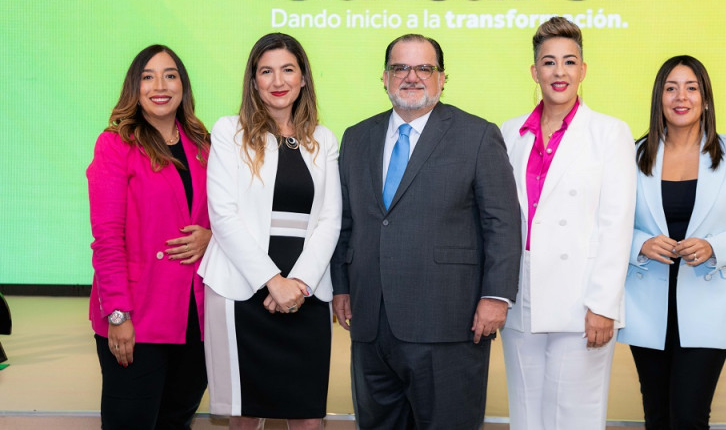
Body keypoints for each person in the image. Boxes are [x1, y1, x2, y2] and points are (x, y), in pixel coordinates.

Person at [331, 34, 521, 430]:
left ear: (442, 78)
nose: (411, 77)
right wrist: (341, 286)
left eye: (424, 68)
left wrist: (496, 295)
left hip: (449, 322)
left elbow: (502, 222)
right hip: (371, 323)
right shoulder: (356, 137)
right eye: (400, 67)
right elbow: (345, 221)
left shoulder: (477, 135)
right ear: (384, 78)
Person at [499, 16, 637, 430]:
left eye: (569, 62)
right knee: (525, 411)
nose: (559, 72)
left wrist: (603, 305)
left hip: (581, 300)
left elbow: (616, 224)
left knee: (574, 415)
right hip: (521, 294)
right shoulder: (510, 133)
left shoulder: (610, 133)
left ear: (583, 70)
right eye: (549, 62)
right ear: (534, 71)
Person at [198, 33, 341, 430]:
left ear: (303, 79)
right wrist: (271, 282)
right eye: (266, 71)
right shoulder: (229, 131)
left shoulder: (323, 140)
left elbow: (330, 220)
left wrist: (298, 284)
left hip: (307, 293)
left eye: (288, 70)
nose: (278, 81)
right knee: (245, 416)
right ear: (253, 81)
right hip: (241, 291)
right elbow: (223, 215)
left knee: (308, 415)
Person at [617, 55, 726, 429]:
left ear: (706, 98)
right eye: (670, 88)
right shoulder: (631, 154)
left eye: (691, 87)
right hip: (647, 303)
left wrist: (714, 246)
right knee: (657, 415)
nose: (680, 97)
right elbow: (610, 224)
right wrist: (641, 244)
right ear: (659, 98)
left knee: (688, 415)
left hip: (710, 302)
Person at [87, 45, 211, 429]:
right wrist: (118, 315)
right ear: (135, 87)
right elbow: (107, 238)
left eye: (170, 75)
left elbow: (229, 216)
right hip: (138, 314)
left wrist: (211, 237)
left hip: (197, 315)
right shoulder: (115, 144)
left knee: (177, 419)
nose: (160, 85)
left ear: (183, 86)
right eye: (148, 76)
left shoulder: (203, 143)